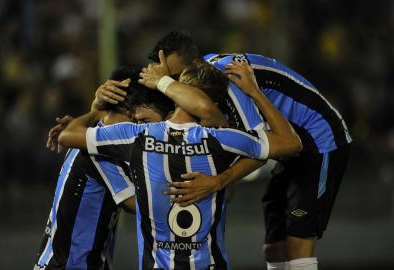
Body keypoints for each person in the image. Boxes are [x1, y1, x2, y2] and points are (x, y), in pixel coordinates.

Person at [57, 62, 302, 269]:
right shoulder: (222, 140)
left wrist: (97, 109)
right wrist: (255, 93)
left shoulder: (138, 136)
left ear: (178, 92)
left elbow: (67, 136)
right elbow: (291, 143)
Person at [144, 31, 352, 270]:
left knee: (298, 242)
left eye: (176, 76)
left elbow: (260, 149)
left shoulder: (229, 79)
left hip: (320, 140)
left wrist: (219, 181)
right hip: (289, 152)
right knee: (273, 247)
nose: (175, 85)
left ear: (197, 65)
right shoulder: (206, 79)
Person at [34, 65, 174, 270]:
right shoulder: (102, 153)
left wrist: (95, 109)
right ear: (129, 108)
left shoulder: (88, 135)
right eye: (140, 117)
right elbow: (138, 205)